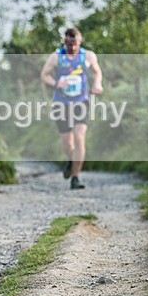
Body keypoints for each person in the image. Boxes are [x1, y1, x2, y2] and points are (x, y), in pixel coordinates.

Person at [40, 27, 103, 190]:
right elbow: (44, 75)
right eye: (69, 44)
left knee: (79, 138)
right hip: (61, 104)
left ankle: (76, 177)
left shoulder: (88, 56)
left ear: (80, 40)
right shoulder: (56, 57)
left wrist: (97, 84)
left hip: (81, 102)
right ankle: (71, 159)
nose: (73, 47)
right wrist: (56, 83)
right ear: (65, 42)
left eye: (75, 43)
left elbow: (97, 72)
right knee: (67, 145)